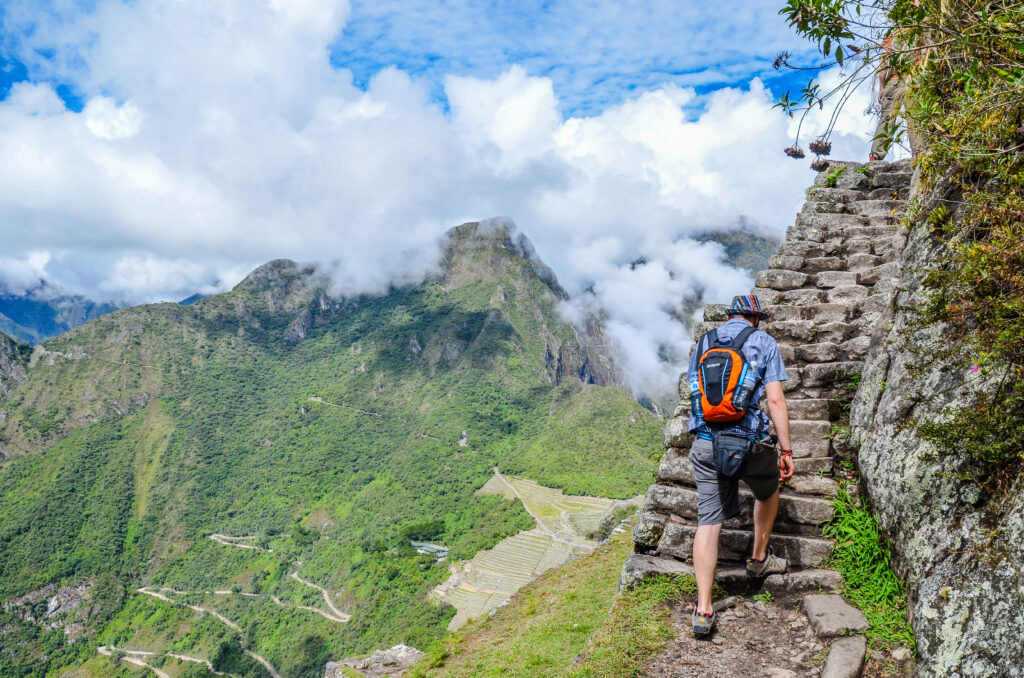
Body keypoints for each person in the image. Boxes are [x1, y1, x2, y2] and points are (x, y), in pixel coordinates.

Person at [687, 294, 794, 636]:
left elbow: (693, 393)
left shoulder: (704, 342)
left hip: (706, 443)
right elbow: (775, 399)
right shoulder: (764, 342)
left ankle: (703, 610)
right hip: (750, 445)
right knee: (767, 489)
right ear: (755, 318)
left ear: (730, 315)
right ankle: (758, 558)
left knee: (708, 520)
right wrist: (787, 450)